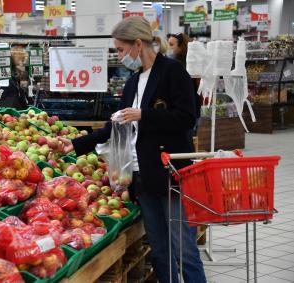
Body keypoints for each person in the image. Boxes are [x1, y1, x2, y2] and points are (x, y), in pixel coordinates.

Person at [59, 17, 206, 283]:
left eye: (120, 49)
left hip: (169, 173)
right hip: (141, 176)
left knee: (184, 249)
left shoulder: (172, 72)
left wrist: (144, 115)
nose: (119, 56)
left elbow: (187, 117)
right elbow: (115, 124)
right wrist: (77, 144)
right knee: (159, 250)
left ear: (138, 44)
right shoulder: (131, 84)